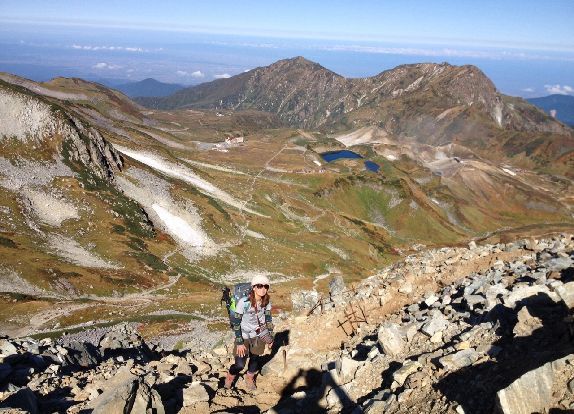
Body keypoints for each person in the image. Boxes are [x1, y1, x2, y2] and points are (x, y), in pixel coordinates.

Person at [224, 275, 274, 390]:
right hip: (243, 335)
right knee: (240, 364)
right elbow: (236, 323)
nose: (263, 289)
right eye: (260, 286)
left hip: (258, 335)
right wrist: (240, 342)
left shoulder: (266, 301)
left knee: (255, 359)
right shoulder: (243, 302)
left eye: (266, 286)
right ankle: (230, 376)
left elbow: (268, 319)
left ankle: (250, 377)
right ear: (254, 287)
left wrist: (270, 336)